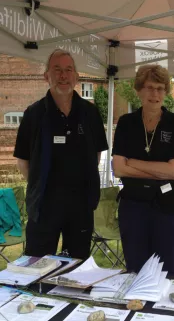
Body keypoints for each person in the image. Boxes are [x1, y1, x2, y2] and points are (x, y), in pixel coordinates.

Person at [14, 49, 108, 259]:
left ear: (76, 76)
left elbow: (96, 156)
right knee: (37, 265)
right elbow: (23, 161)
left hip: (81, 206)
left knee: (77, 266)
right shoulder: (33, 114)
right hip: (44, 206)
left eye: (68, 70)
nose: (63, 76)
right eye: (57, 70)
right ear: (46, 76)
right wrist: (42, 186)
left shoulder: (90, 113)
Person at [112, 64, 174, 276]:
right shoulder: (126, 123)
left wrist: (133, 163)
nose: (154, 94)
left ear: (166, 92)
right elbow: (118, 168)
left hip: (168, 207)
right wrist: (161, 170)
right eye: (149, 87)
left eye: (159, 88)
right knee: (137, 271)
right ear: (139, 90)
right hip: (133, 207)